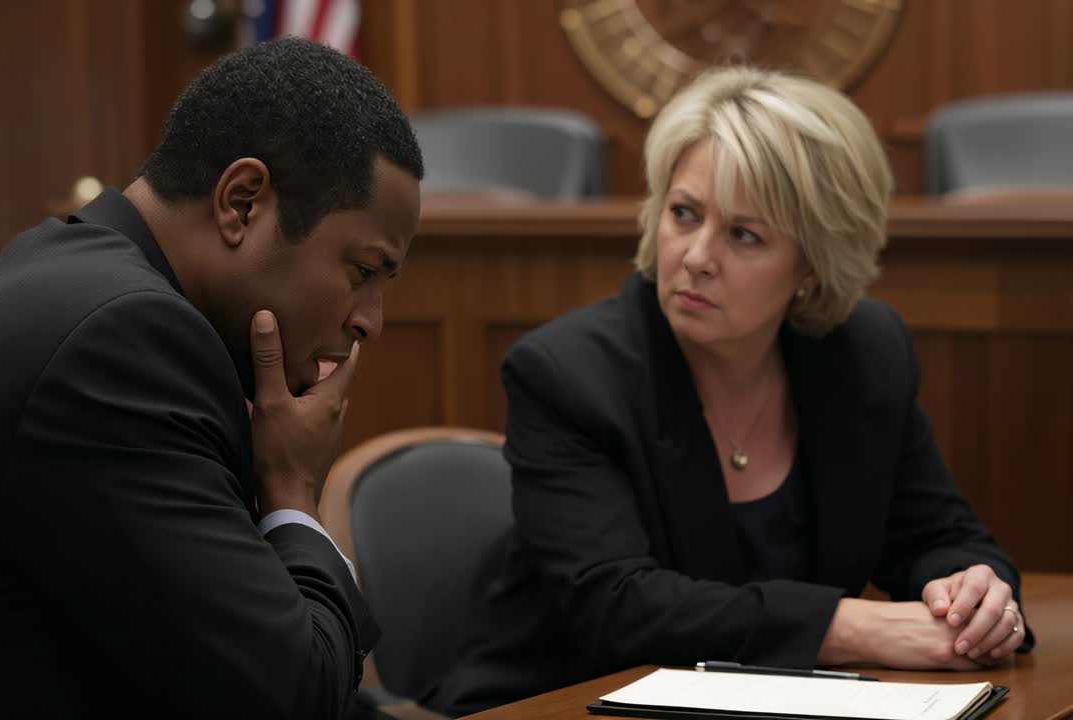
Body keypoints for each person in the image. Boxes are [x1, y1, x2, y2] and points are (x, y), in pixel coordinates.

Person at [0, 38, 423, 719]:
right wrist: (294, 493)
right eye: (362, 272)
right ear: (242, 204)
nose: (371, 323)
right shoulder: (125, 341)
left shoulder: (78, 274)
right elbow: (286, 698)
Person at [427, 66, 1033, 716]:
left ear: (812, 265)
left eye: (744, 234)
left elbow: (938, 534)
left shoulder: (862, 355)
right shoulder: (571, 376)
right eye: (684, 214)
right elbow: (619, 607)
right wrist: (859, 627)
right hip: (558, 703)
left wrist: (971, 593)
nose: (696, 255)